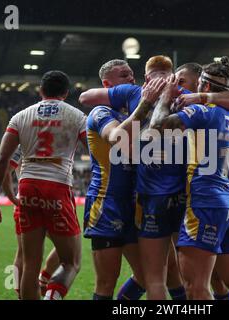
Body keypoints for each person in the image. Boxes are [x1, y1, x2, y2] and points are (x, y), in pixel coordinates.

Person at [147, 57, 229, 300]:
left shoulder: (201, 110)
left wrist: (166, 97)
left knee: (196, 287)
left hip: (204, 203)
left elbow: (156, 127)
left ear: (205, 86)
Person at [0, 70, 87, 300]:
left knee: (29, 261)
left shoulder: (20, 117)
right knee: (71, 261)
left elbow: (2, 161)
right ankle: (52, 295)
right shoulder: (77, 116)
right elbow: (94, 151)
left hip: (28, 187)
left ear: (40, 91)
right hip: (58, 186)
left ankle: (29, 290)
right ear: (66, 93)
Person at [82, 59, 146, 300]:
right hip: (106, 203)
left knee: (146, 276)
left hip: (132, 203)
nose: (131, 79)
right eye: (123, 76)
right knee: (106, 282)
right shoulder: (101, 112)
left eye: (131, 74)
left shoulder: (132, 112)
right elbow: (117, 138)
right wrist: (146, 105)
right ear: (108, 85)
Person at [2, 147, 60, 299]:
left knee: (24, 252)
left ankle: (34, 285)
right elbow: (5, 170)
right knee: (64, 247)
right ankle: (28, 289)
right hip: (36, 201)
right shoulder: (24, 141)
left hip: (38, 201)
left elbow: (6, 168)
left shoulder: (23, 140)